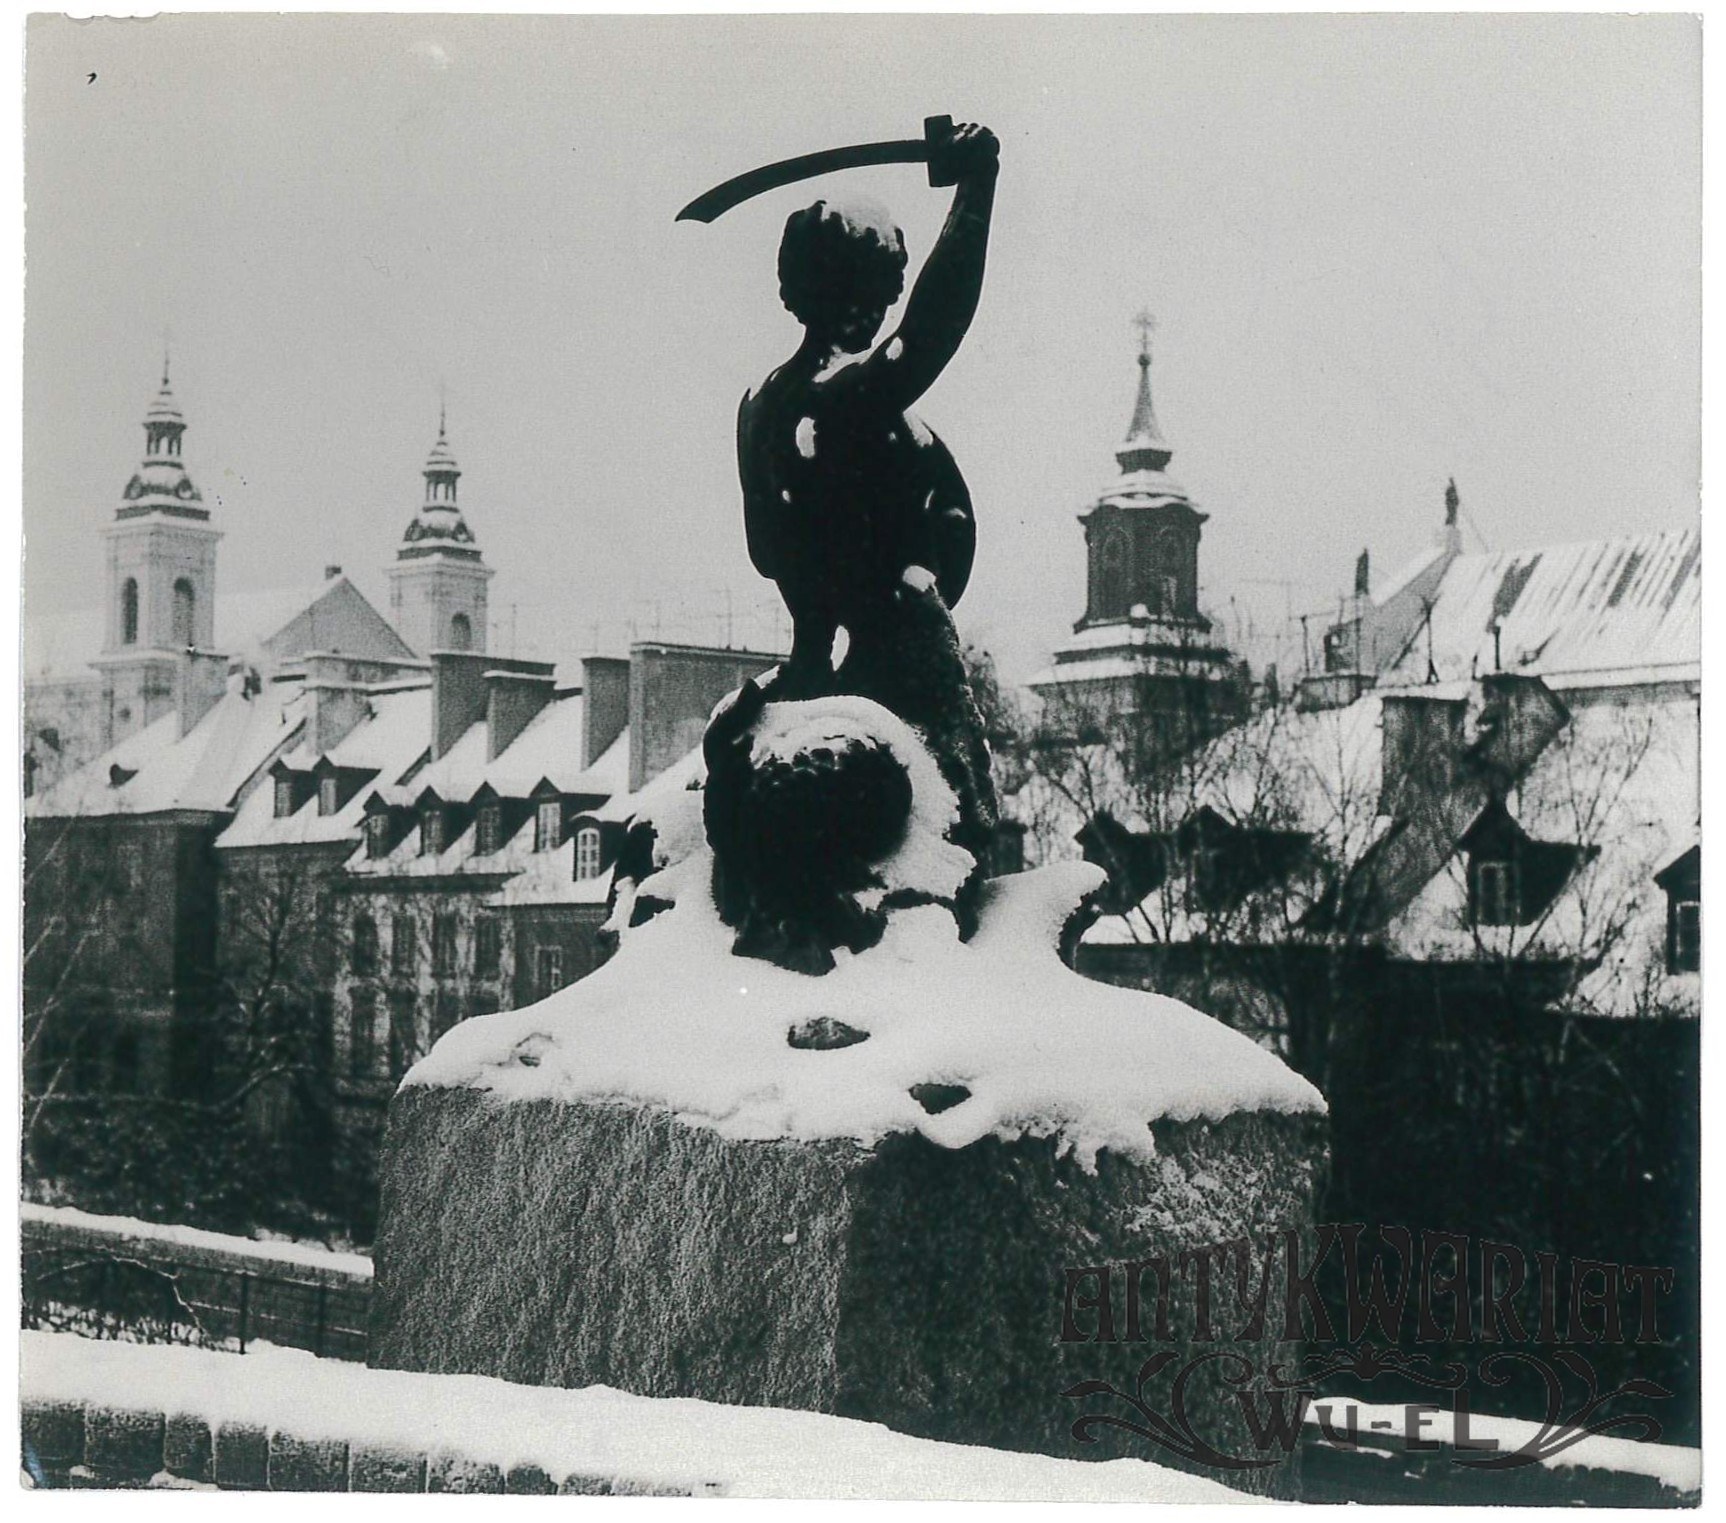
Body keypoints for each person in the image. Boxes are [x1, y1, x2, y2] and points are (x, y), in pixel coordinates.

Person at [733, 122, 1000, 862]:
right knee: (954, 828)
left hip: (830, 657)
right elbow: (935, 326)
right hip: (893, 667)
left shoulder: (760, 405)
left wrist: (813, 644)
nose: (881, 311)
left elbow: (769, 552)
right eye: (876, 289)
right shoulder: (839, 400)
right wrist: (977, 192)